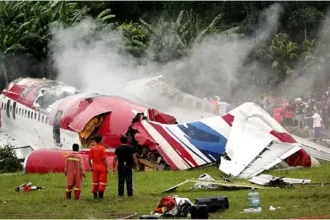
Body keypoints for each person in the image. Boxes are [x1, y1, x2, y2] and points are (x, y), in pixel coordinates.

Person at [112, 135, 139, 199]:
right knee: (129, 180)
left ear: (120, 141)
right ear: (127, 140)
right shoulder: (131, 148)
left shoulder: (118, 148)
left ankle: (120, 194)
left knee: (121, 180)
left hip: (121, 166)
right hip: (129, 166)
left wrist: (113, 167)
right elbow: (134, 158)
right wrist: (137, 166)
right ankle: (130, 194)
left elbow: (115, 159)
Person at [88, 135, 108, 199]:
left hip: (95, 166)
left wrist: (91, 167)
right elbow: (104, 159)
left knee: (95, 181)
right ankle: (101, 194)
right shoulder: (102, 148)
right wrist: (106, 168)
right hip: (101, 166)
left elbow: (89, 159)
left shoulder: (92, 148)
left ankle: (95, 194)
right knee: (102, 181)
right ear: (101, 140)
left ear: (95, 140)